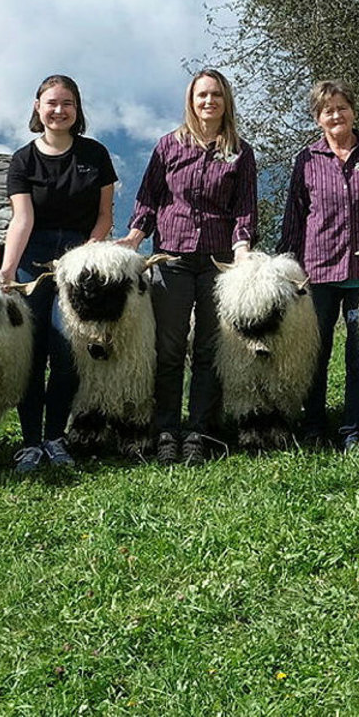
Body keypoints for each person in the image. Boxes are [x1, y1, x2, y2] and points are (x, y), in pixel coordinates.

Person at [120, 69, 258, 464]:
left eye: (216, 95)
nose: (209, 101)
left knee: (208, 349)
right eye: (202, 95)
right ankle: (166, 430)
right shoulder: (169, 146)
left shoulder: (240, 152)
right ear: (191, 101)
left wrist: (242, 247)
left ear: (226, 101)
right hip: (173, 259)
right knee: (169, 348)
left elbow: (245, 206)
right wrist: (133, 237)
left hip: (218, 261)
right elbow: (149, 198)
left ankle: (200, 431)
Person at [277, 80, 359, 450]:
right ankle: (314, 428)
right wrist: (286, 263)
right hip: (317, 272)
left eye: (342, 108)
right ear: (317, 118)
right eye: (327, 110)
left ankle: (354, 430)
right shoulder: (307, 159)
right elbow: (295, 216)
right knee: (315, 355)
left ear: (353, 110)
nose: (336, 115)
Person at [0, 74, 116, 474]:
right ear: (38, 107)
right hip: (33, 261)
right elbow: (22, 219)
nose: (59, 110)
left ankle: (55, 437)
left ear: (77, 109)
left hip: (79, 264)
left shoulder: (95, 154)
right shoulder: (23, 160)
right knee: (31, 354)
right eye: (51, 103)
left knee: (67, 351)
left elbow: (105, 216)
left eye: (67, 103)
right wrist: (8, 270)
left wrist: (84, 256)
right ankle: (31, 443)